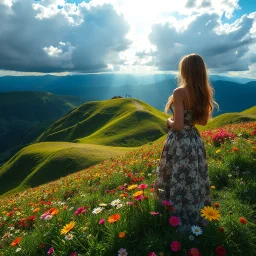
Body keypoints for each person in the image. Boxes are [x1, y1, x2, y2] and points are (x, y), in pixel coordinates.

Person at [153, 53, 219, 232]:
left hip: (180, 141)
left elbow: (179, 125)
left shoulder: (180, 92)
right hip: (194, 141)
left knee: (174, 173)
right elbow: (203, 122)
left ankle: (173, 211)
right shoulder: (203, 92)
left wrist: (168, 121)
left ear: (185, 71)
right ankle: (192, 209)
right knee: (192, 176)